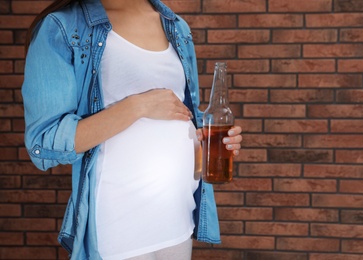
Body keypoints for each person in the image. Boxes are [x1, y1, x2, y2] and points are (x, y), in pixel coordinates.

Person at [22, 0, 243, 259]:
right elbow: (43, 143)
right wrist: (138, 106)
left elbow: (180, 116)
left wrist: (204, 141)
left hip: (177, 218)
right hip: (120, 227)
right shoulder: (64, 27)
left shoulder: (176, 26)